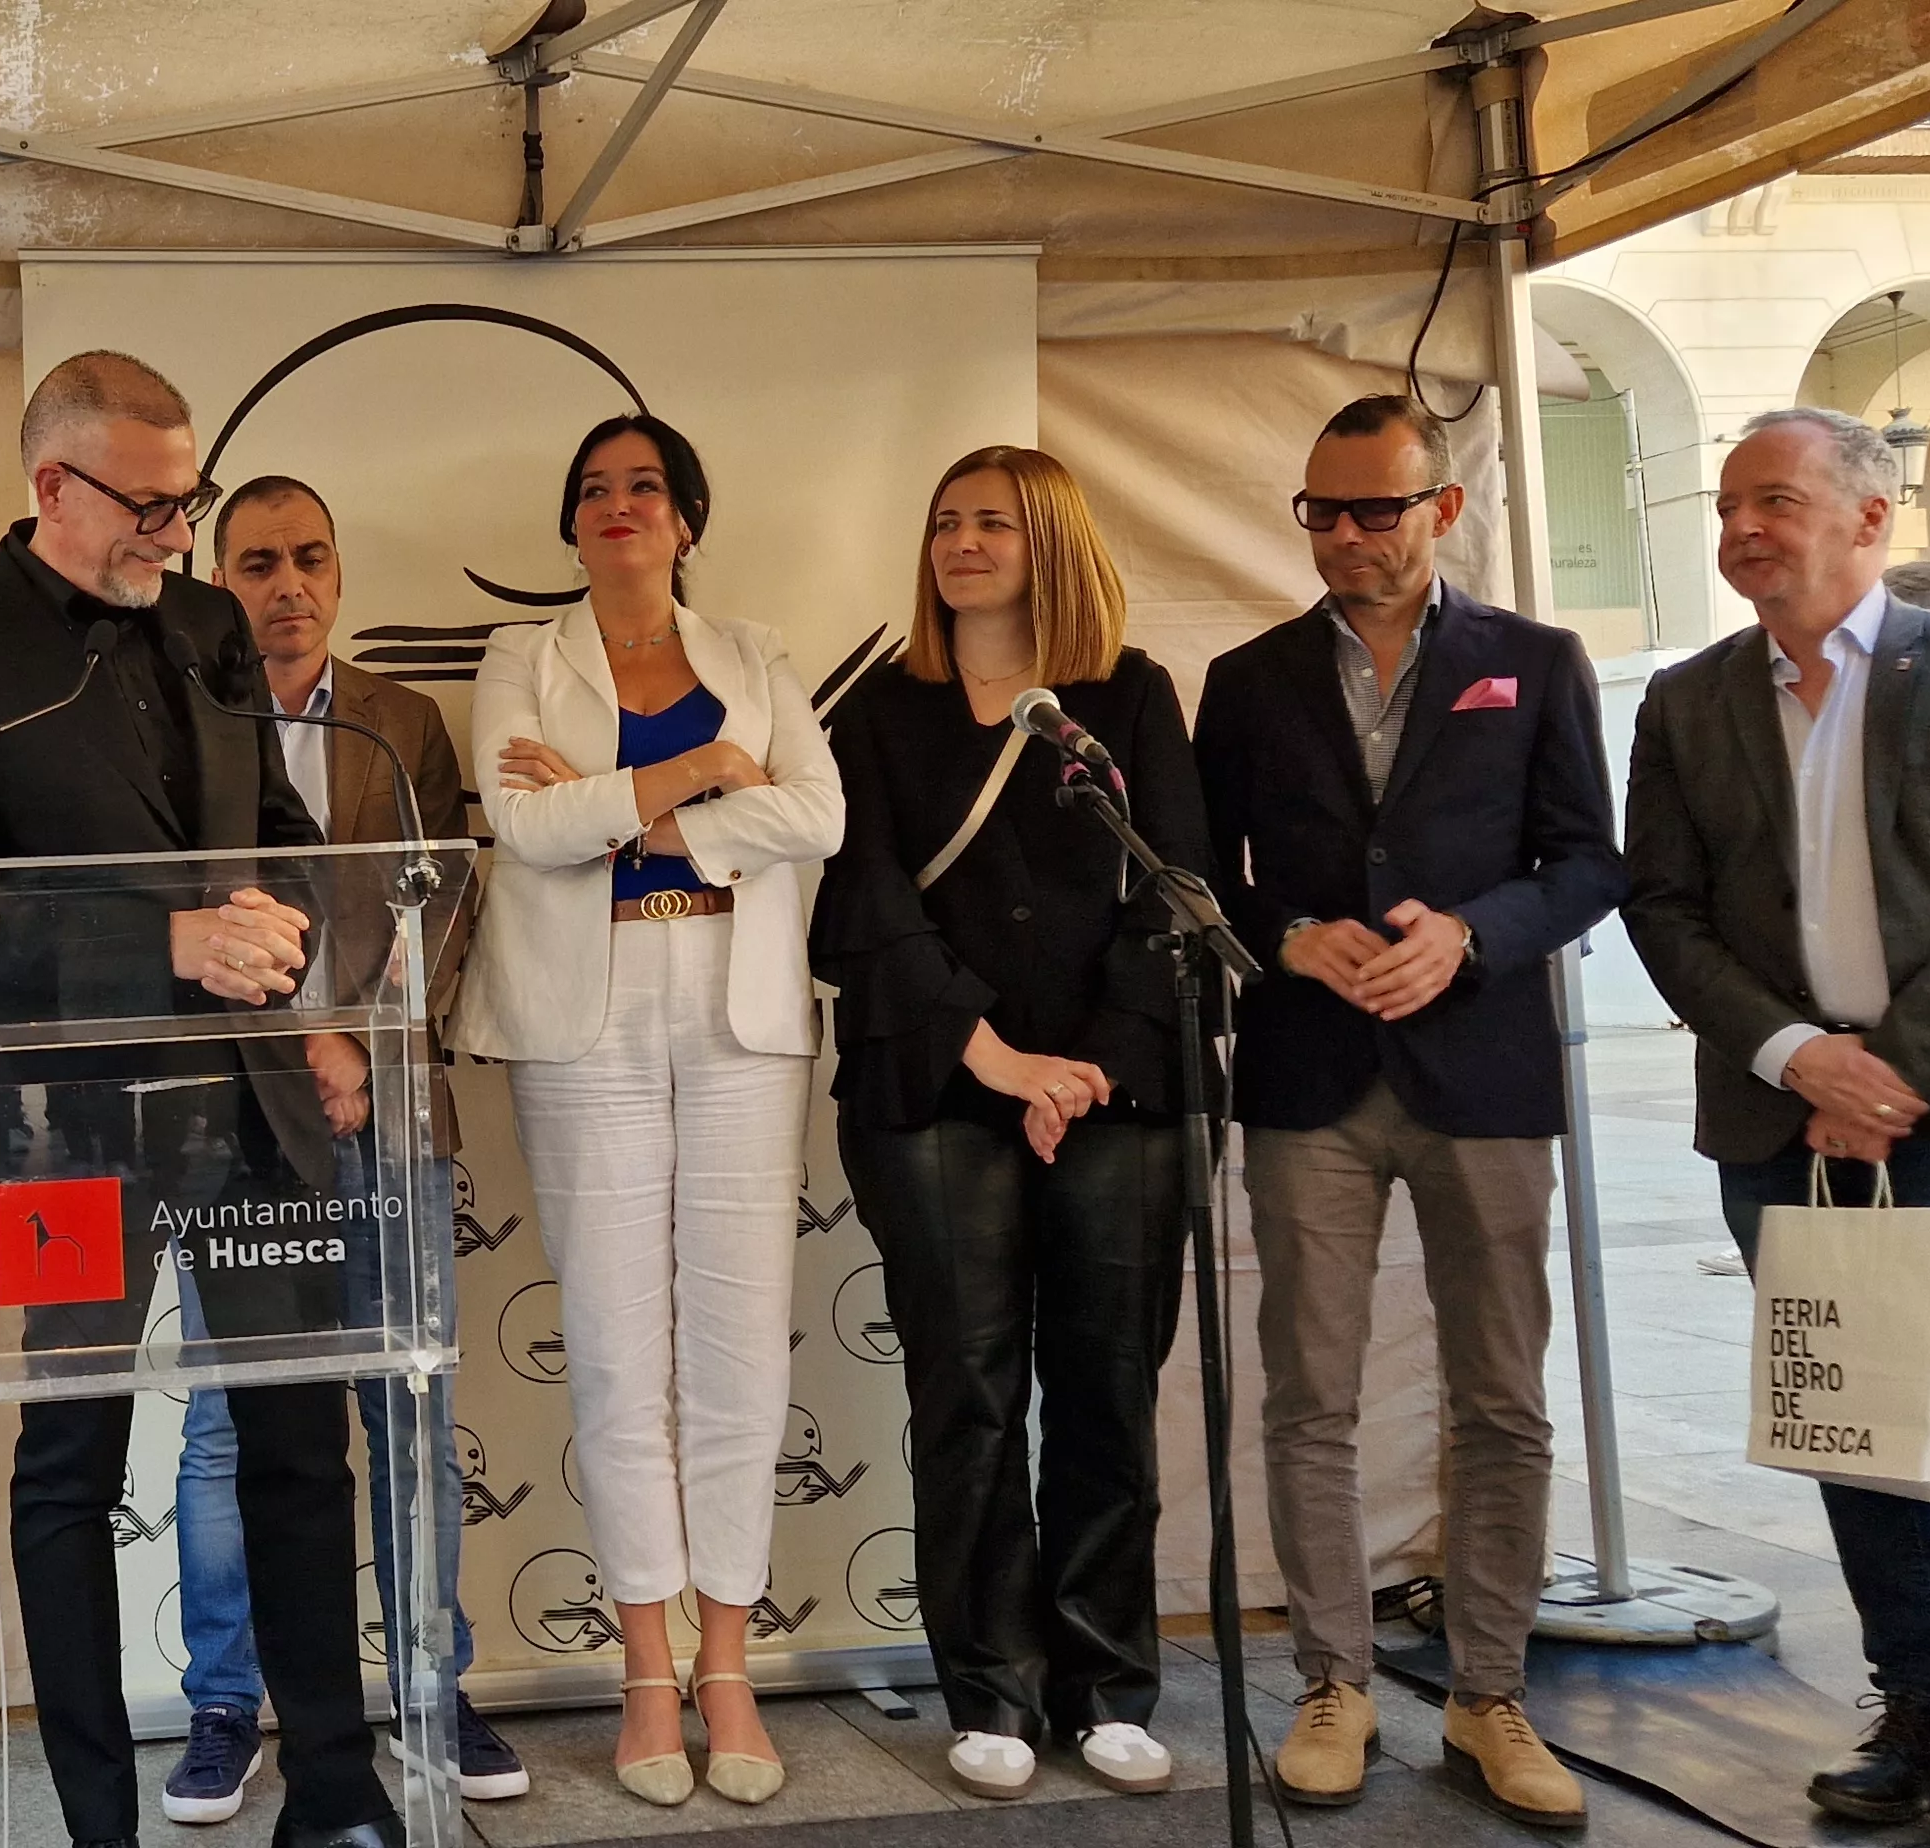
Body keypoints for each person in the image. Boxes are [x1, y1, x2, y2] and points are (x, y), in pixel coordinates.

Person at [0, 351, 400, 1848]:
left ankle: (339, 1797)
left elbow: (280, 828)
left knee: (300, 1443)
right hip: (74, 1130)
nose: (178, 533)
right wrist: (161, 941)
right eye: (154, 507)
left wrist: (292, 933)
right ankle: (97, 1818)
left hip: (256, 1114)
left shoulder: (212, 627)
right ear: (53, 487)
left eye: (190, 502)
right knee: (72, 1462)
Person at [1623, 407, 1930, 1848]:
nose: (1742, 531)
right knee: (1857, 1430)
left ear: (1868, 518)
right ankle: (1922, 1711)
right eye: (1727, 505)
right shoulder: (1689, 697)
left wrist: (1889, 1073)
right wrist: (1797, 1059)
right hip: (1785, 1129)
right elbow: (1663, 908)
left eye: (1773, 500)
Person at [1191, 395, 1624, 1826]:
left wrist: (1478, 935)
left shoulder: (1537, 663)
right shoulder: (1248, 679)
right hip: (1313, 1071)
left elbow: (1584, 864)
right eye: (1320, 510)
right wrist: (1293, 932)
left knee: (1501, 1395)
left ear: (1444, 509)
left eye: (1374, 509)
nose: (1344, 537)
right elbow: (1204, 878)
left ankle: (1492, 1696)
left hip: (1482, 1071)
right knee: (1309, 1393)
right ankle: (1334, 1680)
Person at [807, 443, 1204, 1805]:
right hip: (936, 1094)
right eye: (946, 522)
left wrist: (1081, 1066)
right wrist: (999, 1058)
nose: (964, 543)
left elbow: (1178, 892)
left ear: (1055, 542)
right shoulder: (877, 713)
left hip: (1117, 1097)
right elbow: (862, 913)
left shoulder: (1130, 698)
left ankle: (1106, 1683)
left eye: (994, 522)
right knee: (969, 1399)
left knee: (1104, 1393)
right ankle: (990, 1688)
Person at [457, 414, 843, 1809]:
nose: (618, 507)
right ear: (571, 523)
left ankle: (726, 1667)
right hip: (588, 1018)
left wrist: (630, 814)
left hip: (741, 1014)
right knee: (621, 1355)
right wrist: (696, 777)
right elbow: (530, 831)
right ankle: (642, 1673)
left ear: (687, 516)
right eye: (593, 490)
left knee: (738, 1347)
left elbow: (822, 814)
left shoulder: (755, 656)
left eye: (645, 488)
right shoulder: (524, 657)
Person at [161, 474, 520, 1823]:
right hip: (229, 1129)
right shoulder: (180, 719)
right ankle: (222, 1701)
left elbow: (451, 904)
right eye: (256, 562)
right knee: (223, 1427)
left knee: (408, 1408)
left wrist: (365, 1049)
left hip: (387, 1112)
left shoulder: (404, 721)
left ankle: (433, 1683)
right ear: (217, 577)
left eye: (309, 559)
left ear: (341, 575)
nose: (286, 586)